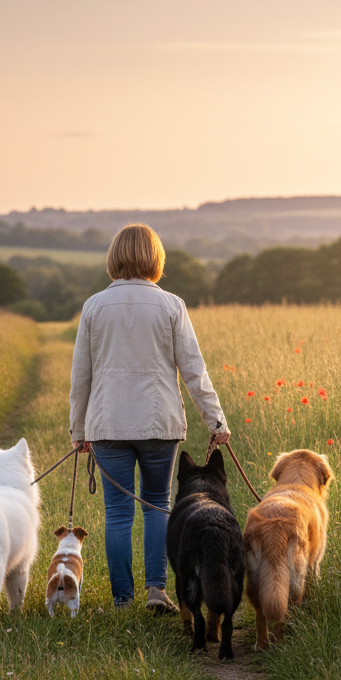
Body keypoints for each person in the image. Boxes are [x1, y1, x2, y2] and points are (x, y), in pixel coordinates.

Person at [69, 223, 230, 611]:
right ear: (156, 258)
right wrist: (216, 421)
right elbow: (194, 369)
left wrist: (78, 429)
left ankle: (123, 600)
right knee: (158, 504)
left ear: (114, 257)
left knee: (118, 513)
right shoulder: (172, 305)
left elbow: (81, 375)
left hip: (107, 425)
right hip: (160, 423)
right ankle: (156, 591)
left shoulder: (93, 306)